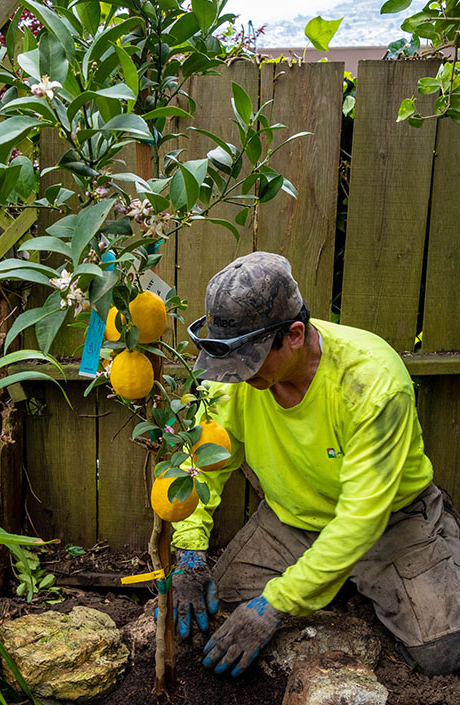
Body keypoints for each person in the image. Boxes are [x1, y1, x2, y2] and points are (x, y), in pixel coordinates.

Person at [170, 251, 460, 677]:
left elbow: (362, 518)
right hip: (295, 518)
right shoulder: (234, 380)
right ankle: (330, 580)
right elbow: (202, 465)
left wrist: (276, 604)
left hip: (389, 521)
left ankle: (432, 541)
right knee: (224, 605)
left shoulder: (372, 382)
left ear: (294, 334)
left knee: (443, 653)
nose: (237, 376)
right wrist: (189, 552)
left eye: (249, 362)